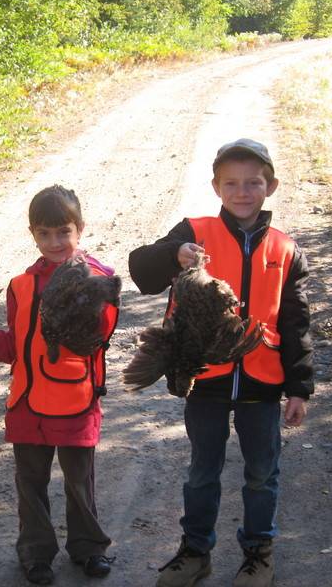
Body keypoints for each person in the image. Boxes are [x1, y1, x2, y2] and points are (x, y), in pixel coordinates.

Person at [128, 138, 314, 587]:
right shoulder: (194, 231)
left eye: (254, 182)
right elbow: (141, 270)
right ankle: (194, 552)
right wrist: (175, 255)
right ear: (216, 187)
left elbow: (296, 323)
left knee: (260, 476)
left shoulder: (286, 249)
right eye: (232, 183)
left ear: (270, 186)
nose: (243, 191)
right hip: (204, 378)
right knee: (201, 473)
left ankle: (258, 554)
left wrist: (299, 388)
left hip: (262, 382)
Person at [0, 185, 118, 586]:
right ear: (33, 233)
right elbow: (19, 343)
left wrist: (87, 288)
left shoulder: (99, 279)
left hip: (76, 400)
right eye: (46, 233)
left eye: (64, 232)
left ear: (80, 229)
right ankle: (35, 554)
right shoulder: (20, 285)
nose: (56, 242)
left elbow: (100, 337)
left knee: (79, 482)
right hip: (28, 402)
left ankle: (89, 548)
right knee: (29, 484)